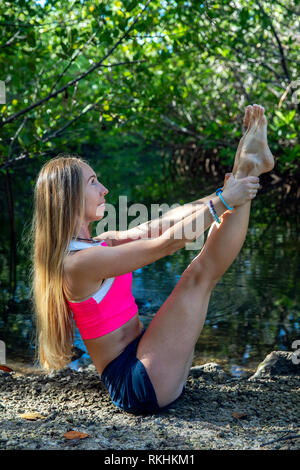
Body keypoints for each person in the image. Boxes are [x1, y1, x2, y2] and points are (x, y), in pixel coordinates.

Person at [29, 104, 274, 415]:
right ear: (68, 197)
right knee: (197, 277)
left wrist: (220, 196)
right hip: (137, 385)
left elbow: (160, 224)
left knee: (199, 274)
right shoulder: (78, 264)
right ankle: (248, 168)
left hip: (145, 360)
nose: (104, 190)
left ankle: (248, 168)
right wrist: (225, 201)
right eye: (93, 183)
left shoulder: (98, 244)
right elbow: (163, 245)